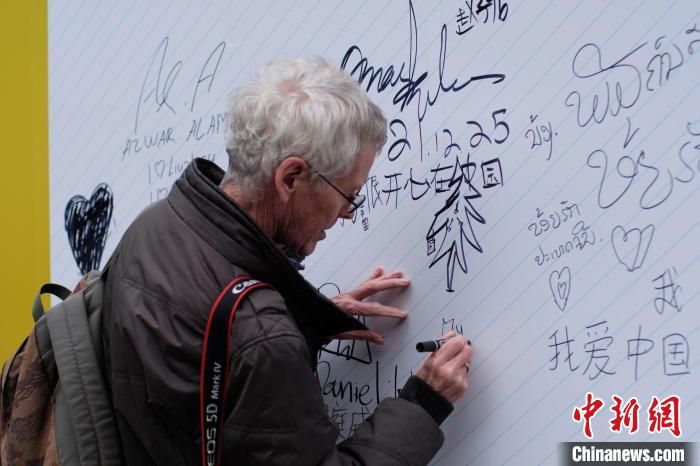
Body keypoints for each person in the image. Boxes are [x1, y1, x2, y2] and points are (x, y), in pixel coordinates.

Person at [103, 57, 473, 465]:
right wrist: (424, 404)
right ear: (290, 177)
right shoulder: (259, 334)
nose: (348, 214)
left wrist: (300, 320)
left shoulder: (156, 223)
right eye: (349, 195)